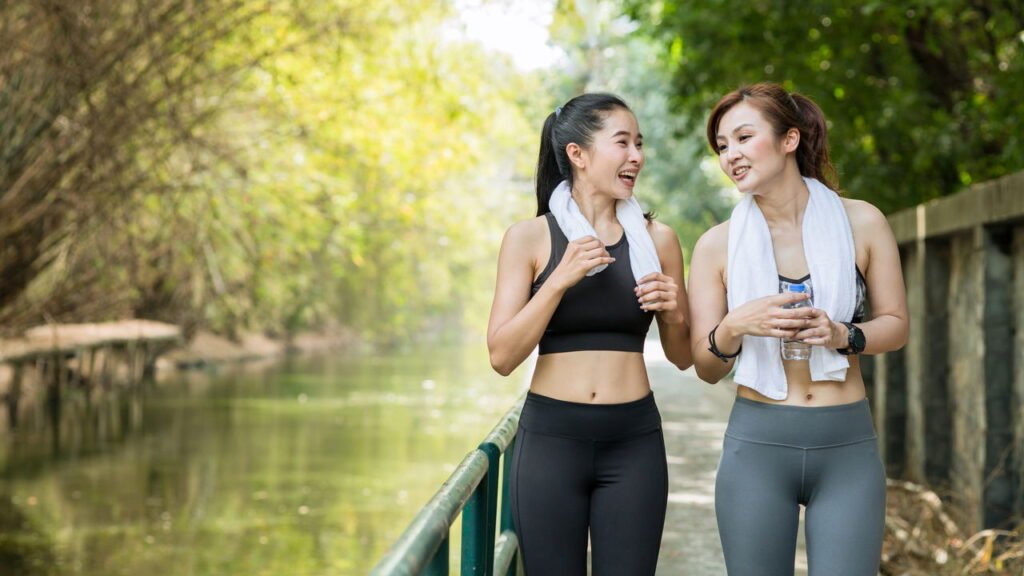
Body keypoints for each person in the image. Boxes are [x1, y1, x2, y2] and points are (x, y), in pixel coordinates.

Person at [687, 83, 909, 575]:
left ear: (789, 139)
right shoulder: (716, 246)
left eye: (744, 137)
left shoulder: (863, 222)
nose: (730, 155)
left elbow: (896, 326)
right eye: (722, 146)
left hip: (847, 448)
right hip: (756, 448)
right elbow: (705, 367)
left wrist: (844, 335)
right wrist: (735, 325)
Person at [486, 92, 692, 575]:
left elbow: (684, 357)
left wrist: (673, 313)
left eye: (639, 143)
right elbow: (502, 356)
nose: (636, 156)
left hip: (634, 441)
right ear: (577, 154)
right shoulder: (529, 238)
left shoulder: (659, 240)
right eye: (622, 142)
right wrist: (559, 279)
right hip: (551, 440)